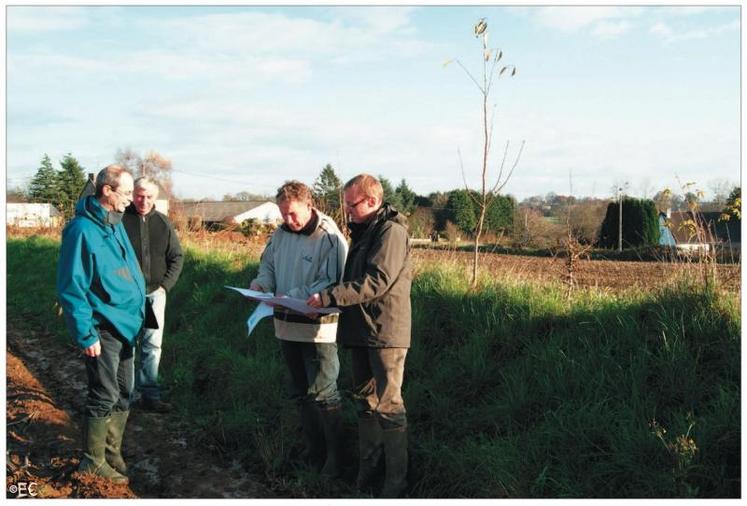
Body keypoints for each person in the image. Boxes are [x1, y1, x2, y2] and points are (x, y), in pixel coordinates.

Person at [307, 173, 412, 498]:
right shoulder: (364, 232)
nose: (347, 211)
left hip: (386, 333)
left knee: (389, 405)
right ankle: (367, 475)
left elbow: (376, 282)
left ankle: (395, 483)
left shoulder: (391, 233)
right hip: (360, 331)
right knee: (366, 403)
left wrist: (329, 298)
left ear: (372, 200)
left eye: (352, 204)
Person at [249, 180, 348, 476]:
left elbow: (331, 282)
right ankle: (312, 449)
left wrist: (290, 296)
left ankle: (337, 458)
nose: (287, 221)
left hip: (318, 329)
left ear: (309, 205)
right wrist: (261, 284)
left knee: (323, 392)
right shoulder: (279, 234)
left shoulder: (330, 236)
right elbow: (267, 265)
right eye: (283, 214)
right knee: (298, 391)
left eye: (293, 214)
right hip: (284, 325)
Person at [57, 165, 145, 484]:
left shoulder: (115, 223)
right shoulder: (81, 230)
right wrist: (85, 333)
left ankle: (112, 452)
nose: (130, 200)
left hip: (127, 324)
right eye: (125, 193)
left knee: (125, 391)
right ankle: (92, 461)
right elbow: (71, 286)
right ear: (106, 191)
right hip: (102, 326)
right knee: (104, 393)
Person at [122, 176, 184, 413]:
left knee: (152, 345)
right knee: (127, 343)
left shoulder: (163, 223)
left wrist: (164, 286)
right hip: (126, 297)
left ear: (156, 197)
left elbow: (177, 257)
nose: (143, 200)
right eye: (139, 195)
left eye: (149, 196)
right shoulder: (120, 220)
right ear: (132, 194)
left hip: (154, 296)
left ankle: (149, 394)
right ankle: (124, 396)